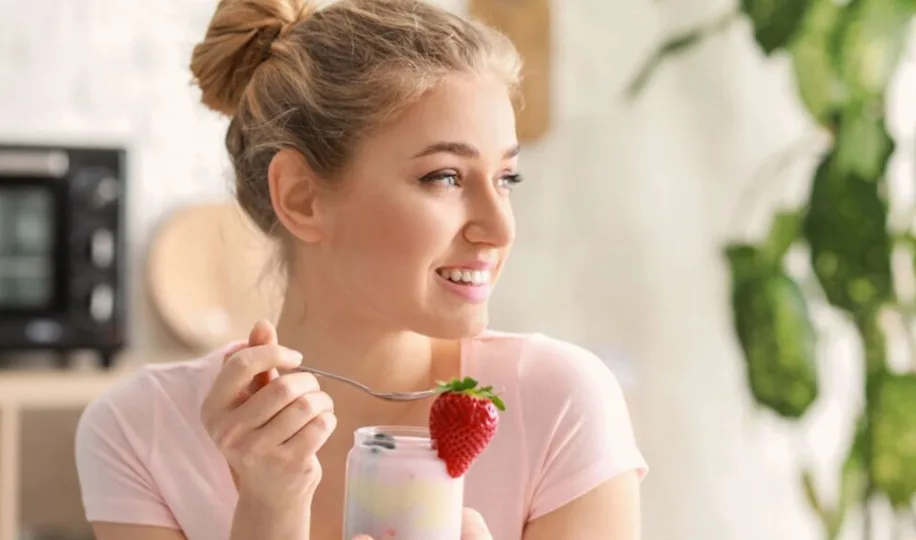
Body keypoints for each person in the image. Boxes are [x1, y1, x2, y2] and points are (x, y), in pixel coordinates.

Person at [74, 0, 648, 538]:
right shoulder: (140, 431)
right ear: (301, 198)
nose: (500, 230)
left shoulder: (557, 401)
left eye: (506, 179)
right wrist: (268, 511)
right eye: (444, 177)